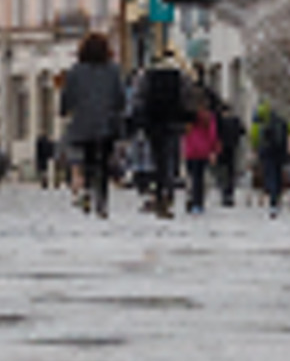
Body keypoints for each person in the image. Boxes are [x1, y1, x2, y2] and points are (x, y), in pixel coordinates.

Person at [59, 30, 129, 217]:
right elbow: (120, 97)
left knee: (88, 159)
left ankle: (88, 190)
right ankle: (102, 201)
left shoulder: (75, 71)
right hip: (107, 124)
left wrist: (65, 110)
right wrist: (117, 110)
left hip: (83, 124)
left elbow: (67, 97)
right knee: (104, 164)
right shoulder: (113, 70)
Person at [135, 47, 192, 219]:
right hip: (173, 122)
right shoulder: (179, 75)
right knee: (170, 157)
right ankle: (168, 190)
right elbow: (186, 97)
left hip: (153, 123)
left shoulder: (148, 75)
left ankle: (158, 192)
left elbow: (140, 97)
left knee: (157, 157)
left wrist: (141, 119)